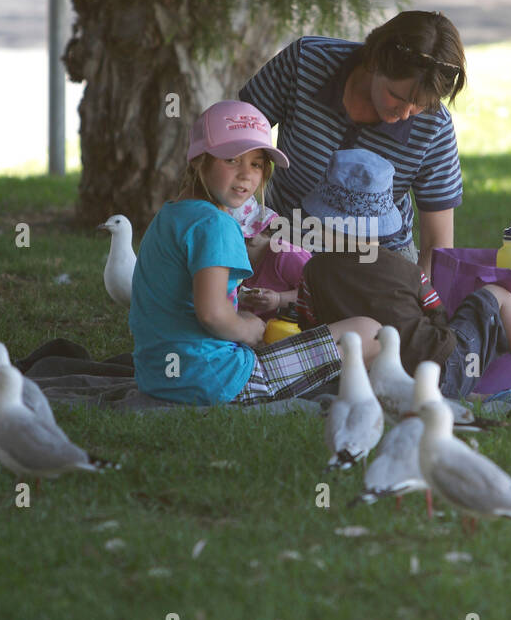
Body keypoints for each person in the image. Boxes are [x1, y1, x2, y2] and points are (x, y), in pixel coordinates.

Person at [295, 150, 511, 406]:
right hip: (444, 370)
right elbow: (435, 312)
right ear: (382, 222)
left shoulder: (313, 271)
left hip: (375, 384)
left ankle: (483, 395)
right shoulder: (405, 268)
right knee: (497, 296)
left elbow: (312, 325)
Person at [129, 101, 380, 406]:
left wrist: (240, 314)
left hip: (157, 377)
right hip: (217, 380)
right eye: (232, 159)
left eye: (257, 164)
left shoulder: (169, 215)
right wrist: (248, 329)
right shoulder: (216, 225)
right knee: (370, 332)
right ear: (198, 160)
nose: (246, 175)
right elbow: (211, 314)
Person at [239, 10, 466, 276]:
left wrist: (423, 304)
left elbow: (437, 248)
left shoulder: (434, 126)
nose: (404, 114)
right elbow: (234, 140)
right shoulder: (305, 63)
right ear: (374, 61)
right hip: (286, 238)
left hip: (377, 256)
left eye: (421, 104)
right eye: (396, 95)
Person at [227, 196, 311, 321]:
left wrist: (279, 299)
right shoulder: (232, 265)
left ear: (250, 238)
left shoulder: (285, 255)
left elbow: (316, 292)